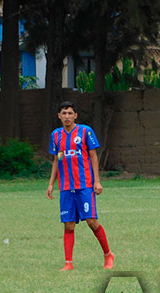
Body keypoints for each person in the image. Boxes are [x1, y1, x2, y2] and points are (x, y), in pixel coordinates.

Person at [47, 101, 114, 271]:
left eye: (70, 113)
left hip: (84, 185)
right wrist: (51, 184)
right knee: (68, 224)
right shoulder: (56, 135)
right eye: (64, 113)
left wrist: (97, 181)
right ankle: (68, 263)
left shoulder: (85, 131)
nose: (67, 116)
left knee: (91, 221)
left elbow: (93, 156)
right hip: (66, 187)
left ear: (75, 115)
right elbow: (57, 160)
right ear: (59, 116)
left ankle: (108, 255)